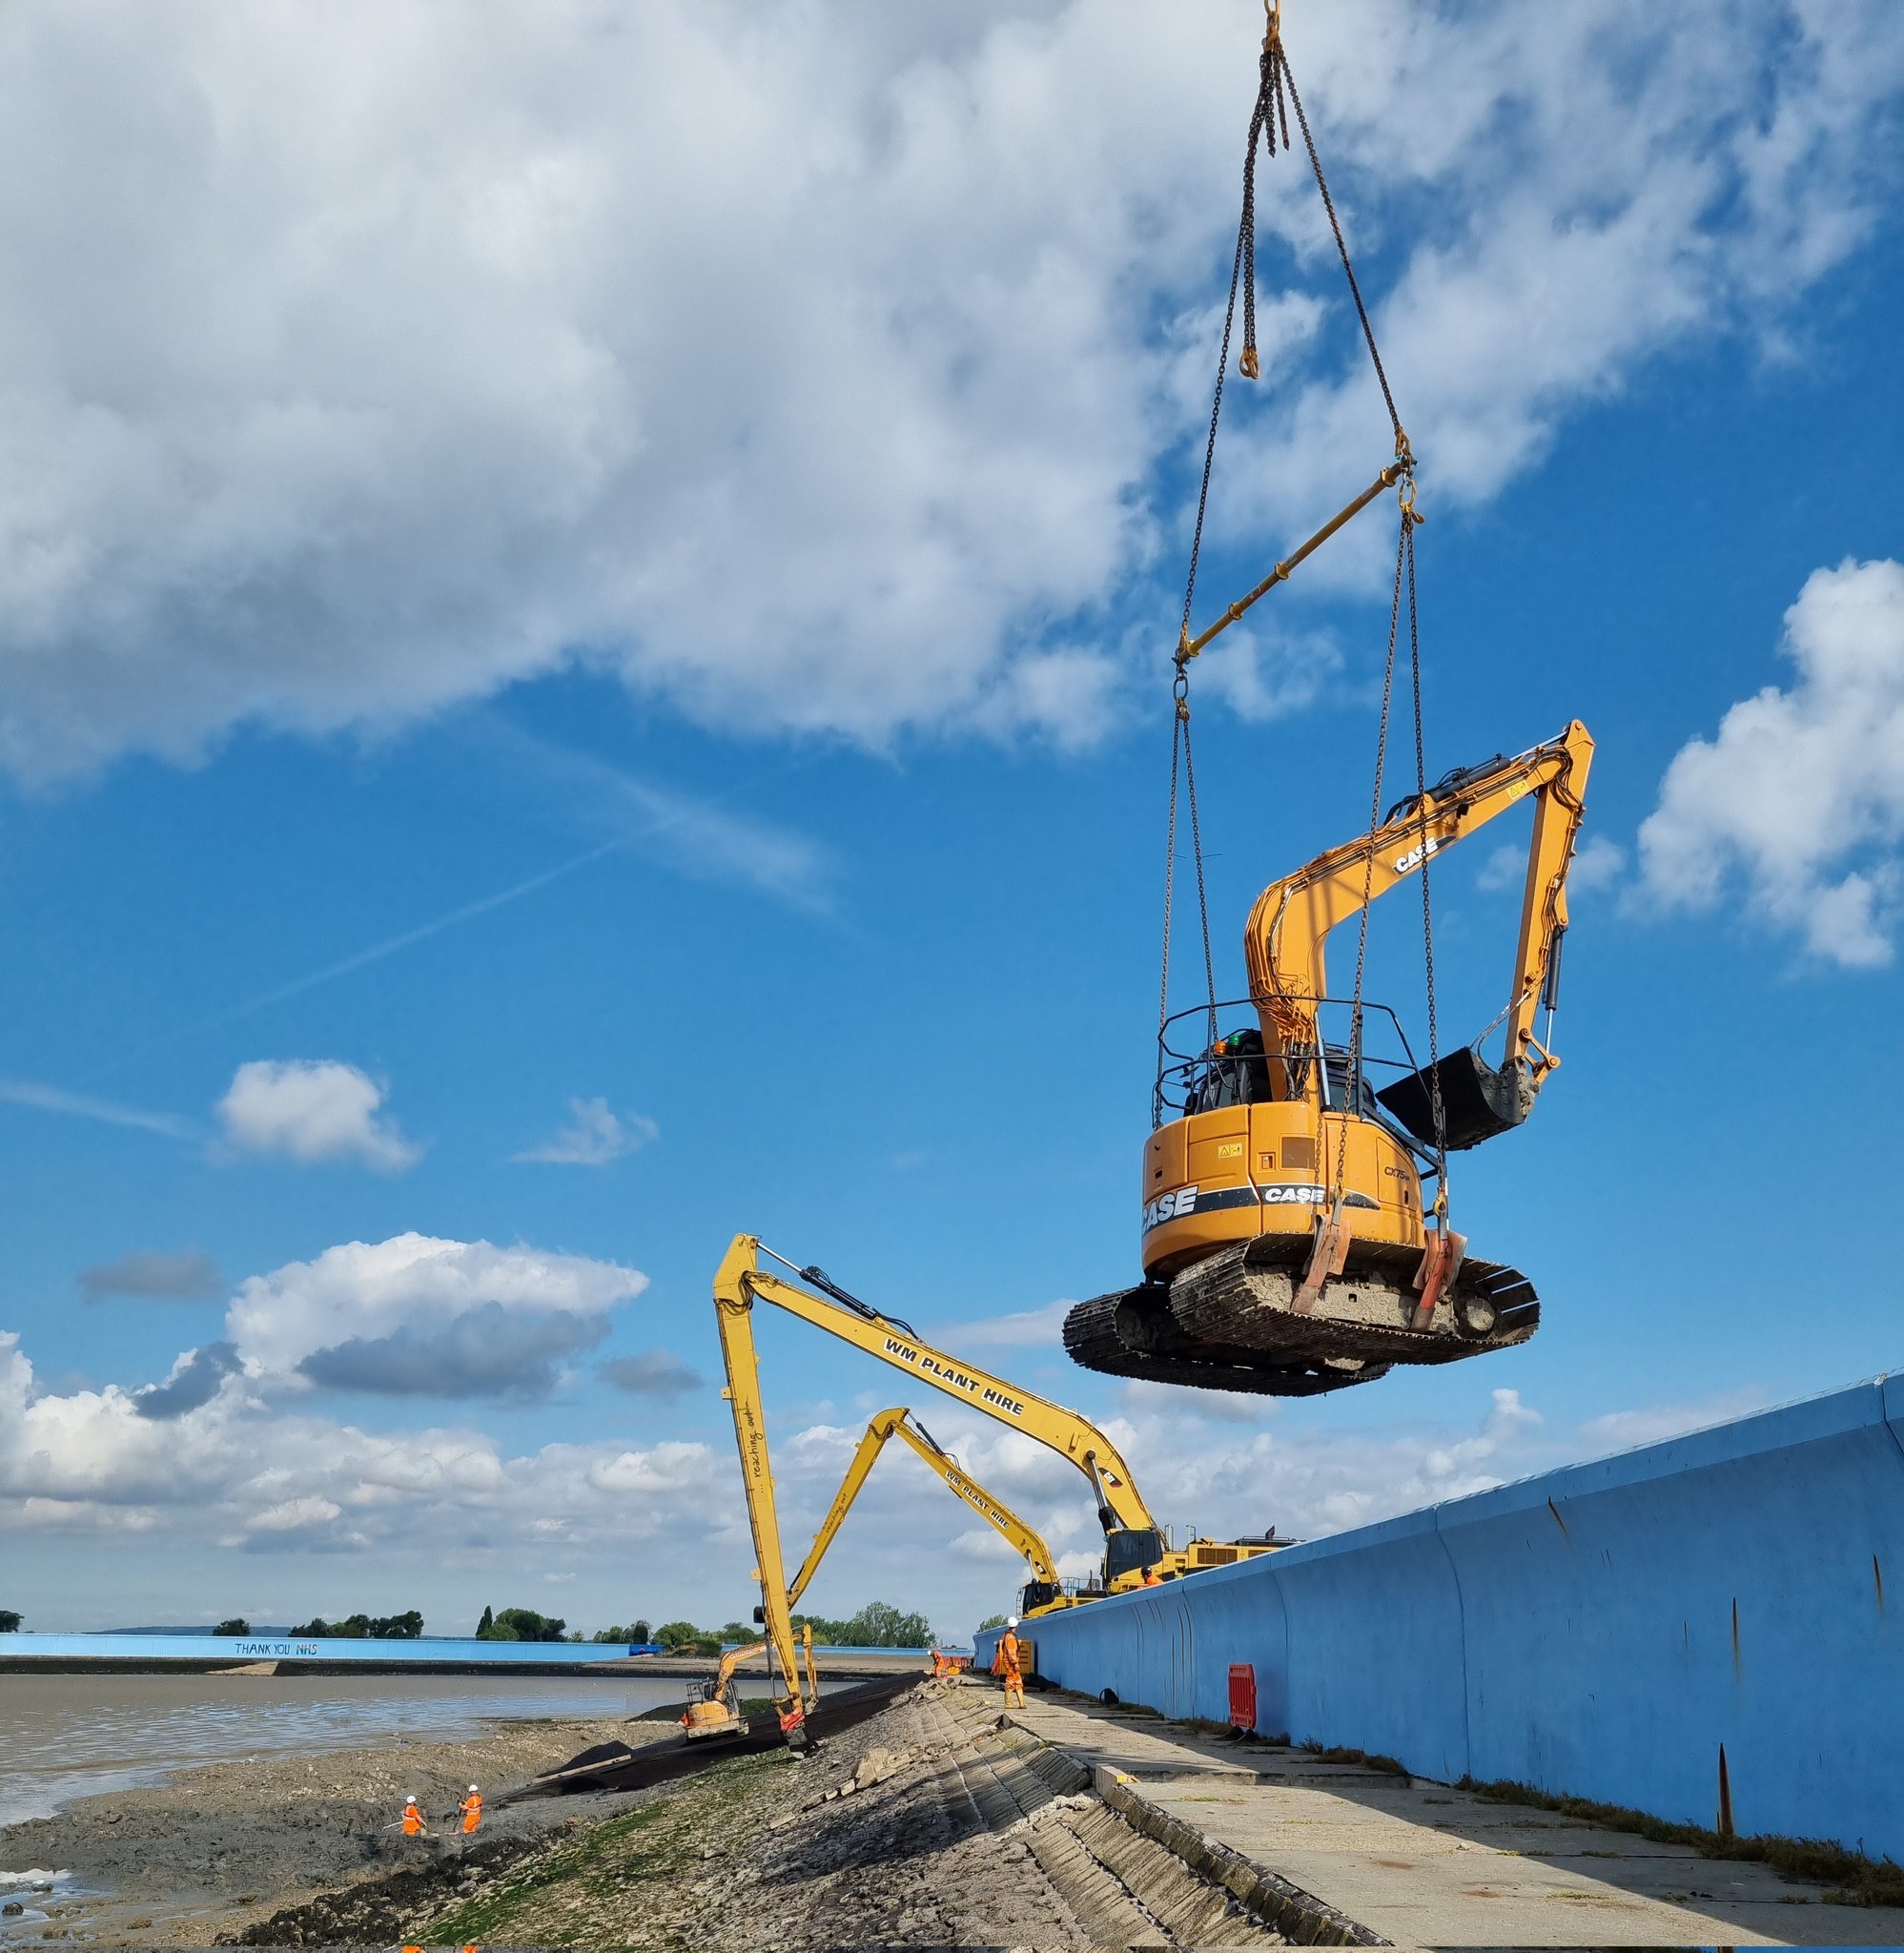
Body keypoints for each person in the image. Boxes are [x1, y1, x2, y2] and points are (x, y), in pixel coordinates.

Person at [992, 1617, 1025, 1709]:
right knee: (1011, 1681)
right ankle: (1008, 1703)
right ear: (1016, 1626)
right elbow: (1012, 1652)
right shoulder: (1011, 1638)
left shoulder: (1007, 1635)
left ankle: (1021, 1703)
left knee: (1018, 1681)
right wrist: (1015, 1663)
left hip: (1009, 1661)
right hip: (1011, 1663)